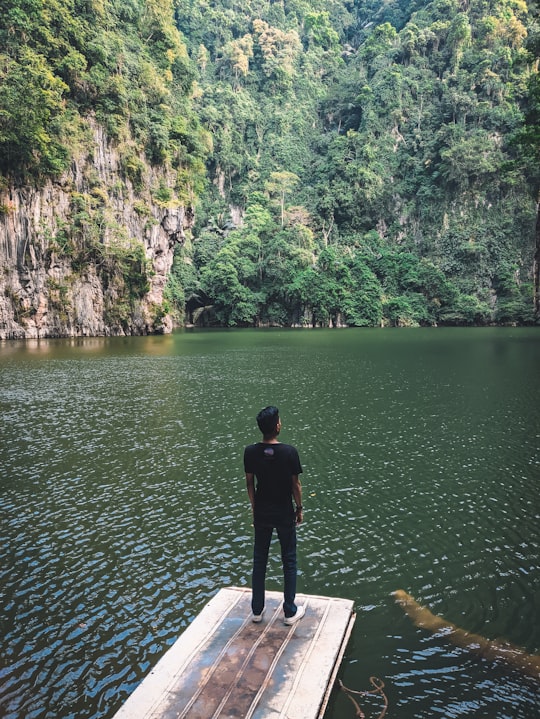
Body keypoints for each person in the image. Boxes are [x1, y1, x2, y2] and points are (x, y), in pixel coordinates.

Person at [244, 406, 305, 625]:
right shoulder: (289, 452)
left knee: (259, 560)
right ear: (277, 426)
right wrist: (299, 508)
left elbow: (250, 483)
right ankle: (289, 612)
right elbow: (295, 485)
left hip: (261, 512)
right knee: (289, 560)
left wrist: (254, 506)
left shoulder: (250, 452)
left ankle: (257, 611)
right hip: (283, 513)